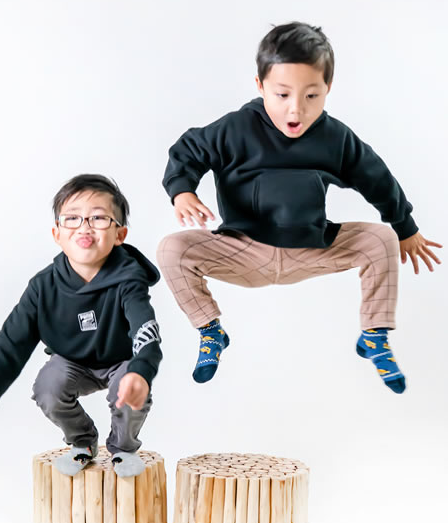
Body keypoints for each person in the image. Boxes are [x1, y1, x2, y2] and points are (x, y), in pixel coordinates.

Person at [156, 22, 441, 393]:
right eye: (282, 94)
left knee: (380, 239)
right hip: (244, 249)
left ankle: (374, 334)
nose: (296, 109)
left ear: (327, 89)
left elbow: (376, 178)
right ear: (260, 86)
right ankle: (210, 330)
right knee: (172, 248)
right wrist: (182, 191)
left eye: (311, 96)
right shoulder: (236, 128)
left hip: (311, 248)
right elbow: (188, 150)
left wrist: (405, 228)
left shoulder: (334, 137)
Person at [0, 174, 162, 477]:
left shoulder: (129, 279)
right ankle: (82, 441)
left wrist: (141, 371)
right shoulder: (43, 287)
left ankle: (123, 447)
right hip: (73, 363)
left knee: (130, 388)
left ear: (120, 234)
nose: (85, 227)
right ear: (57, 234)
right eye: (72, 218)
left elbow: (146, 329)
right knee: (47, 386)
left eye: (98, 218)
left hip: (122, 360)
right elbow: (9, 346)